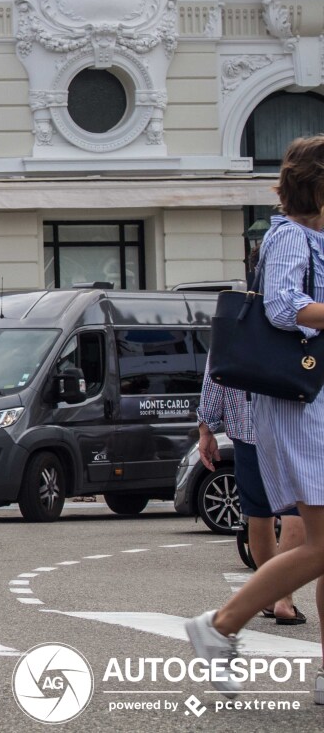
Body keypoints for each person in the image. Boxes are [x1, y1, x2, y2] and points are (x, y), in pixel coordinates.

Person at [185, 135, 324, 703]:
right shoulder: (289, 236)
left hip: (314, 400)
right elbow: (281, 307)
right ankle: (217, 626)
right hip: (300, 403)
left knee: (321, 541)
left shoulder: (314, 237)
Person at [196, 356, 306, 624]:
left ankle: (269, 598)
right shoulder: (296, 313)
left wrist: (205, 428)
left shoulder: (234, 316)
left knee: (258, 514)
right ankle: (283, 598)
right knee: (297, 513)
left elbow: (215, 372)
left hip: (246, 429)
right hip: (292, 426)